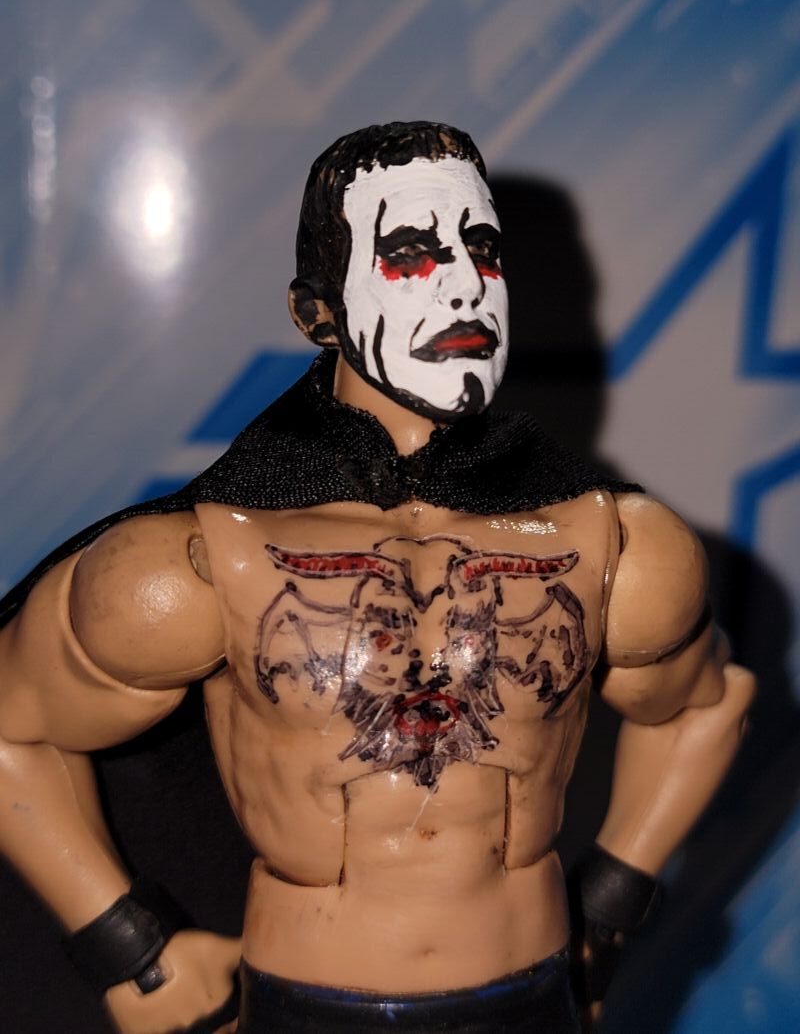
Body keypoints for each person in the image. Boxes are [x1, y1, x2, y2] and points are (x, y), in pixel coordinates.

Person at [0, 122, 754, 1033]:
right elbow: (14, 727)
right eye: (409, 254)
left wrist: (611, 904)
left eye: (483, 249)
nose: (464, 285)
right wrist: (129, 952)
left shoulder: (612, 544)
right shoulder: (194, 563)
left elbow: (704, 707)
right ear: (317, 312)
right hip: (306, 1001)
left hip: (535, 991)